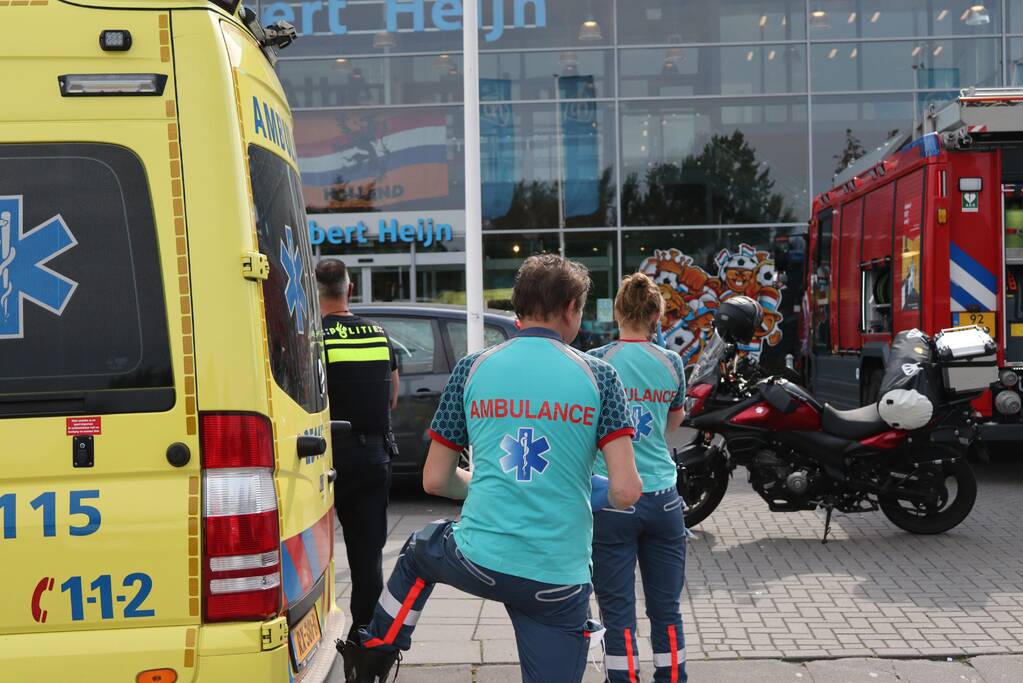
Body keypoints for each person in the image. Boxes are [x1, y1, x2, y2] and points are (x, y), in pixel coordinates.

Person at [343, 254, 644, 683]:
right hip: (555, 580)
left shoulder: (472, 368)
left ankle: (373, 652)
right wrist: (589, 489)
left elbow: (434, 480)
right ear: (571, 308)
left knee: (419, 550)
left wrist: (488, 486)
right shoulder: (601, 377)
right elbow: (627, 491)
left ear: (518, 307)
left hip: (478, 559)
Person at [588, 273, 689, 683]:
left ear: (617, 312)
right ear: (656, 316)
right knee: (666, 610)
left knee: (618, 614)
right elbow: (676, 419)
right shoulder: (673, 363)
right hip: (663, 498)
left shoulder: (596, 362)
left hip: (611, 495)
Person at [315, 258, 400, 681]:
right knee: (368, 559)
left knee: (310, 551)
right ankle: (365, 645)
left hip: (323, 456)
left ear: (315, 292)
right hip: (373, 458)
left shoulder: (313, 338)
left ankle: (311, 631)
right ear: (349, 289)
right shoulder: (380, 334)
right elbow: (391, 398)